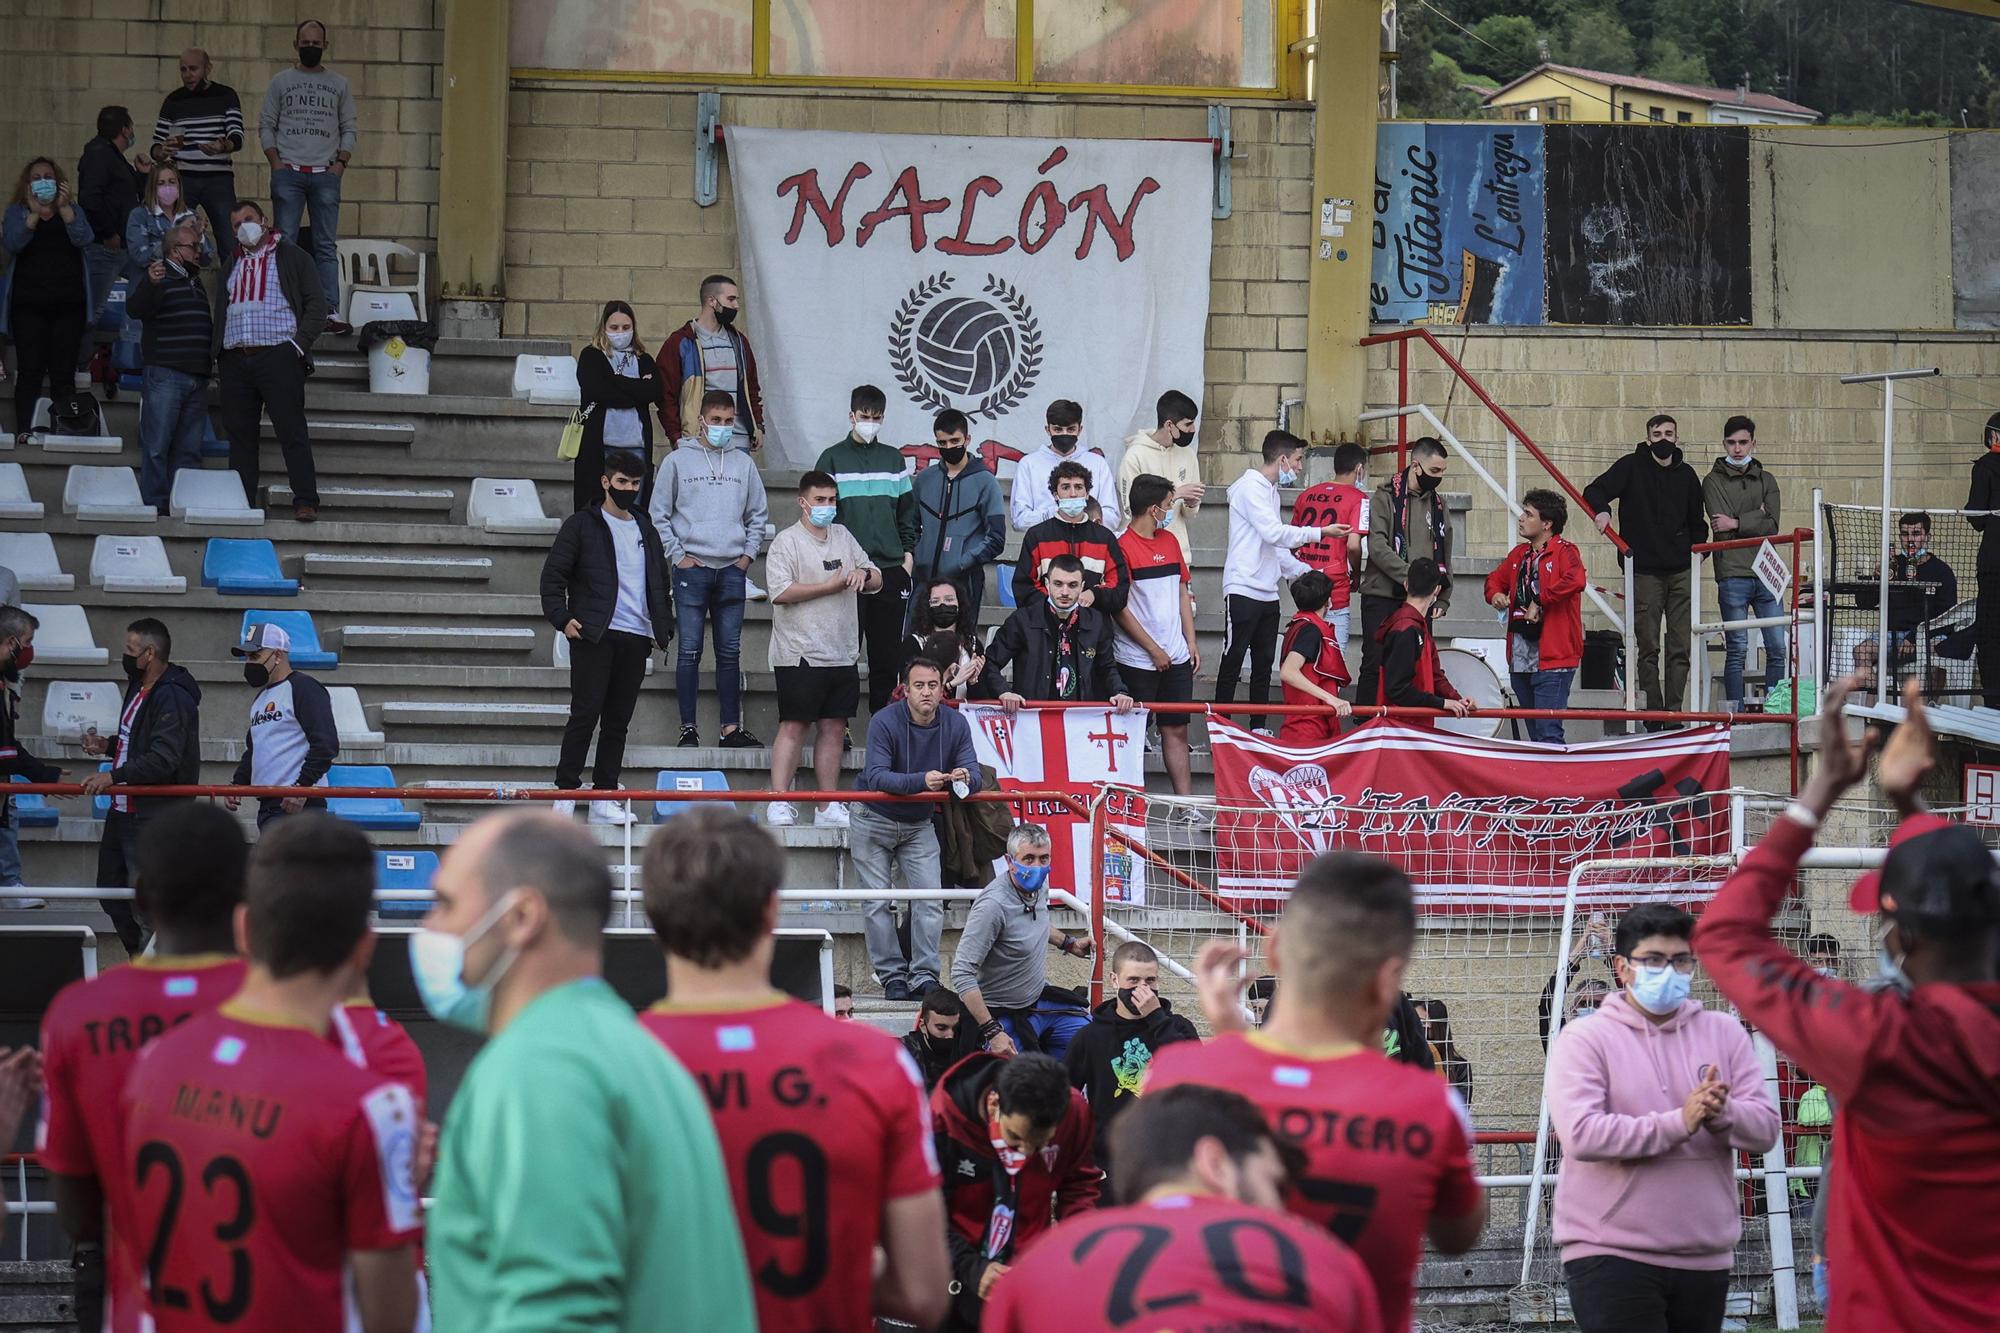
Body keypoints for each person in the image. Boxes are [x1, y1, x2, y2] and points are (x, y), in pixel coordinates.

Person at [1695, 677, 2000, 1331]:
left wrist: (1820, 791)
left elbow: (1723, 933)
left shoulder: (1880, 1039)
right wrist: (1910, 807)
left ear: (1905, 933)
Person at [421, 811, 756, 1332]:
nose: (430, 929)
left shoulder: (541, 1068)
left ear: (521, 916)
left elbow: (553, 1314)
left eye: (444, 904)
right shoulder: (636, 1051)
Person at [1148, 851, 1488, 1332]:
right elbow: (1458, 1233)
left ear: (1275, 950)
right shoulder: (1428, 1106)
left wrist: (1229, 1044)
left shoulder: (1176, 1075)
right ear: (1390, 979)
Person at [638, 808, 951, 1331]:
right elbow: (922, 1291)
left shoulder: (606, 1068)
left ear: (653, 917)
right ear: (769, 914)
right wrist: (823, 1258)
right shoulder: (876, 1063)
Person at [117, 815, 421, 1332]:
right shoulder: (369, 1106)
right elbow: (391, 1316)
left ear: (243, 928)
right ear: (364, 948)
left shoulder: (152, 1062)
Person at [40, 805, 246, 1333]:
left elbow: (76, 1202)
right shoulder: (290, 1005)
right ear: (245, 895)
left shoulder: (78, 1011)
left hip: (126, 1287)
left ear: (143, 896)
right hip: (259, 1286)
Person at [1545, 903, 1779, 1333]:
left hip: (1704, 1251)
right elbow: (1582, 1134)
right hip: (1610, 1251)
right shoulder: (1585, 1038)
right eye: (1653, 960)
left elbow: (1765, 1129)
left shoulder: (1723, 1033)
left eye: (1681, 961)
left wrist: (1721, 1113)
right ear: (1622, 967)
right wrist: (1679, 1122)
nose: (1669, 972)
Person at [985, 1085, 1382, 1333]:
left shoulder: (1039, 1267)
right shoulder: (1325, 1260)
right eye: (1271, 1180)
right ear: (1215, 1162)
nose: (1278, 1202)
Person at [541, 450, 673, 825]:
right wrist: (563, 619)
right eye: (622, 483)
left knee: (618, 721)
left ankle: (604, 794)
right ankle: (565, 793)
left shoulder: (646, 528)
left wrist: (663, 625)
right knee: (585, 714)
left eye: (635, 484)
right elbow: (553, 578)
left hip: (636, 635)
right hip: (594, 635)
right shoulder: (581, 524)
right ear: (605, 482)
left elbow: (658, 581)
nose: (629, 489)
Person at [933, 1050, 1102, 1331]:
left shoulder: (1073, 1112)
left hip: (1028, 1272)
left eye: (1040, 1144)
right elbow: (925, 1216)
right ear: (994, 1103)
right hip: (954, 1272)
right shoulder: (943, 1120)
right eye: (1016, 1137)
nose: (1026, 1151)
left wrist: (1078, 1245)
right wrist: (971, 1267)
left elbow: (1079, 1183)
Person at [856, 655, 981, 999]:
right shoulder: (884, 721)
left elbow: (976, 771)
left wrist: (966, 778)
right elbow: (876, 776)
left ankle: (924, 975)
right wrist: (921, 782)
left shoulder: (955, 724)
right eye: (919, 685)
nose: (926, 692)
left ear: (943, 689)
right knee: (878, 902)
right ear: (905, 690)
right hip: (873, 818)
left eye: (933, 685)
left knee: (930, 898)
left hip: (919, 822)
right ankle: (893, 976)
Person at [652, 388, 769, 748]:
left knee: (730, 652)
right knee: (688, 651)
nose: (722, 427)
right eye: (715, 420)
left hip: (732, 569)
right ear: (700, 420)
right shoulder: (677, 461)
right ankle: (688, 729)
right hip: (692, 568)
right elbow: (659, 514)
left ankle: (730, 729)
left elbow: (758, 515)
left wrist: (746, 557)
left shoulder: (743, 464)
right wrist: (678, 556)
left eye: (728, 421)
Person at [79, 618, 201, 952]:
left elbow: (164, 759)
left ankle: (154, 979)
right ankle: (140, 960)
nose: (125, 655)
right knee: (110, 892)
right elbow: (140, 743)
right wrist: (108, 746)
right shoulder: (138, 686)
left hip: (150, 817)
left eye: (130, 650)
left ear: (149, 654)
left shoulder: (174, 696)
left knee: (148, 906)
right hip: (123, 812)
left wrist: (112, 776)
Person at [764, 470, 879, 827]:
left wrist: (864, 576)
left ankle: (827, 805)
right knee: (794, 725)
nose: (827, 507)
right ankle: (779, 799)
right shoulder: (787, 542)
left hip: (842, 650)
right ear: (802, 502)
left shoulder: (843, 535)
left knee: (833, 727)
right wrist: (827, 587)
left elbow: (875, 575)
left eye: (831, 500)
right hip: (799, 651)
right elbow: (780, 592)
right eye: (820, 500)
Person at [1585, 414, 1707, 715]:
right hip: (1643, 572)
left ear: (1677, 437)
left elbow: (1697, 524)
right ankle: (1654, 714)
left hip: (1681, 572)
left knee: (1681, 647)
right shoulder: (1630, 466)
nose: (1663, 439)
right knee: (1648, 646)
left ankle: (1674, 713)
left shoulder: (1687, 475)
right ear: (1647, 437)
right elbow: (1595, 490)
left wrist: (1698, 555)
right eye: (1657, 434)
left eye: (1668, 433)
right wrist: (1602, 512)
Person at [1217, 429, 1336, 733]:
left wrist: (1307, 572)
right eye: (1297, 460)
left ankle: (1258, 727)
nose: (1299, 467)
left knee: (1263, 662)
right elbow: (1274, 533)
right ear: (1282, 459)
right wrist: (1321, 532)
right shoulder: (1250, 488)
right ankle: (1221, 725)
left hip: (1268, 592)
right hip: (1243, 587)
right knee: (1232, 660)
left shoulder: (1269, 491)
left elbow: (1275, 547)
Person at [216, 197, 327, 520]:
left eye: (248, 219)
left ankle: (305, 499)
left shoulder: (293, 257)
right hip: (236, 359)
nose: (243, 228)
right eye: (236, 225)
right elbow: (221, 308)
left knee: (292, 432)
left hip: (278, 355)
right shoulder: (231, 262)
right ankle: (242, 504)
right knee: (240, 439)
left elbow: (316, 307)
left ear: (264, 221)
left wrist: (297, 346)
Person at [952, 822, 1096, 1058]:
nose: (1037, 867)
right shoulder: (992, 906)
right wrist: (992, 1031)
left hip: (1038, 999)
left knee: (1092, 1041)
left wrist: (1069, 943)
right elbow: (961, 973)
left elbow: (1034, 924)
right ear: (1010, 862)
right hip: (998, 1013)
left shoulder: (1040, 884)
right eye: (1028, 859)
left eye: (1044, 859)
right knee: (1019, 1081)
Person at [816, 384, 918, 713]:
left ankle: (883, 725)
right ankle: (839, 723)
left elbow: (907, 512)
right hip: (846, 570)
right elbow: (821, 515)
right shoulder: (832, 457)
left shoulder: (893, 458)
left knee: (887, 657)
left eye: (876, 417)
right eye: (864, 416)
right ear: (851, 416)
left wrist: (907, 560)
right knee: (843, 654)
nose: (869, 422)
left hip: (890, 569)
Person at [1063, 940, 1199, 1184]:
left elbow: (1197, 1081)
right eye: (1133, 981)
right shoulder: (1091, 1036)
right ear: (1115, 980)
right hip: (1111, 1166)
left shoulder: (1178, 1027)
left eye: (1150, 981)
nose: (1142, 989)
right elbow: (1064, 1094)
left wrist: (1157, 1018)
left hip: (1169, 1165)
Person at [261, 19, 357, 333]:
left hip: (326, 174)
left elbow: (349, 128)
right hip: (288, 172)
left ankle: (329, 310)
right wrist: (276, 163)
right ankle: (286, 307)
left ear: (325, 46)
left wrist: (340, 164)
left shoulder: (339, 84)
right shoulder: (280, 82)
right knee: (285, 243)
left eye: (317, 44)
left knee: (325, 246)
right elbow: (266, 125)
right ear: (296, 44)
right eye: (306, 43)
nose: (311, 48)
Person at [1116, 474, 1199, 793]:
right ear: (1153, 510)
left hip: (1176, 656)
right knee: (1133, 734)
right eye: (1167, 506)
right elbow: (1120, 609)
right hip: (1137, 660)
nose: (1169, 511)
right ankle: (1130, 804)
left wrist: (1190, 641)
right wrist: (1152, 650)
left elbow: (1182, 592)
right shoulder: (1121, 547)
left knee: (1177, 730)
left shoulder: (1170, 541)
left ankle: (1186, 806)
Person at [1485, 488, 1587, 742]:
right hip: (1521, 657)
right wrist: (1496, 595)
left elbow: (1576, 580)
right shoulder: (1519, 554)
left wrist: (1540, 600)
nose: (1521, 518)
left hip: (1554, 658)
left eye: (1528, 514)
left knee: (1548, 733)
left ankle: (1556, 781)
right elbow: (1494, 580)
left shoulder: (1566, 551)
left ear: (1547, 523)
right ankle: (1543, 780)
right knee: (1537, 735)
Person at [1357, 436, 1452, 708]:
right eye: (1435, 471)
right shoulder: (1384, 497)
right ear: (1416, 466)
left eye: (1443, 471)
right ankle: (1366, 723)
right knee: (1374, 662)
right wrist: (1410, 576)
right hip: (1383, 594)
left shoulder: (1439, 505)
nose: (1439, 477)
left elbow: (1445, 552)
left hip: (1422, 598)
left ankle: (1413, 728)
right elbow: (1377, 546)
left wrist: (1443, 595)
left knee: (1419, 664)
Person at [126, 221, 214, 510]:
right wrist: (150, 283)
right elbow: (135, 309)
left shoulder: (193, 279)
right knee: (156, 447)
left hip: (196, 377)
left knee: (189, 451)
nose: (198, 252)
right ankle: (156, 507)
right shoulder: (159, 276)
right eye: (193, 247)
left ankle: (182, 505)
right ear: (175, 251)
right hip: (166, 374)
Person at [4, 157, 93, 443]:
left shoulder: (72, 209)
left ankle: (64, 430)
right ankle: (24, 430)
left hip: (69, 306)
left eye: (48, 176)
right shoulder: (17, 211)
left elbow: (85, 239)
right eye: (37, 177)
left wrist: (64, 209)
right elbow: (13, 243)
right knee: (29, 370)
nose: (43, 180)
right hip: (28, 306)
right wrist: (33, 214)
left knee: (63, 373)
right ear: (27, 184)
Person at [1702, 417, 1787, 712]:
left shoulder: (1767, 479)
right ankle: (1735, 715)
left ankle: (1774, 710)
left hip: (1766, 571)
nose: (1737, 449)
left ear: (1754, 443)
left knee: (1778, 648)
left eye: (1743, 442)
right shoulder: (1712, 480)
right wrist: (1755, 516)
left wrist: (1737, 520)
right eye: (1731, 443)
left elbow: (1773, 524)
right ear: (1724, 443)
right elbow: (1718, 524)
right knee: (1737, 649)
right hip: (1733, 572)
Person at [980, 555, 1136, 713]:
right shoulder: (1022, 620)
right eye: (1058, 584)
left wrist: (1119, 692)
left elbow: (1107, 667)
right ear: (1047, 584)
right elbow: (989, 662)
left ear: (1082, 587)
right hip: (1032, 717)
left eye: (1072, 585)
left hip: (1078, 718)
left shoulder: (1095, 621)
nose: (1065, 592)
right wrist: (1004, 692)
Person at [225, 621, 338, 829]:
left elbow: (326, 744)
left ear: (277, 655)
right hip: (270, 805)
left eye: (255, 656)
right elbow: (256, 748)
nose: (249, 663)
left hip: (300, 807)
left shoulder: (304, 688)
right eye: (247, 657)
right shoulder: (261, 698)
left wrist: (302, 787)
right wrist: (238, 783)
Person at [912, 409, 1006, 624]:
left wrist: (963, 562)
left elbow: (997, 538)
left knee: (961, 644)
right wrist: (918, 555)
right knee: (916, 643)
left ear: (968, 439)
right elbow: (911, 526)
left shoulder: (986, 482)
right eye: (942, 443)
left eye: (955, 441)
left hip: (965, 580)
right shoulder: (925, 480)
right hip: (924, 579)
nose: (949, 448)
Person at [148, 48, 243, 258]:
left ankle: (233, 289)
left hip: (218, 180)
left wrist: (222, 146)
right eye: (183, 70)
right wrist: (162, 151)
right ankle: (179, 286)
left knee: (229, 239)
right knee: (177, 237)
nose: (188, 75)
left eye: (193, 69)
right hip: (184, 180)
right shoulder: (173, 101)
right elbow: (155, 145)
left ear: (207, 68)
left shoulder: (226, 95)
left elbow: (237, 136)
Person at [572, 299, 661, 511]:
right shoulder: (591, 355)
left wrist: (613, 381)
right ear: (604, 328)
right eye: (614, 327)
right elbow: (597, 391)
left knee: (634, 511)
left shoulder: (644, 359)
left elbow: (653, 391)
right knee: (596, 510)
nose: (620, 332)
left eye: (626, 327)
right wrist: (637, 388)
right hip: (600, 447)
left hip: (636, 447)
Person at [0, 606, 61, 909]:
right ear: (12, 642)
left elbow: (7, 743)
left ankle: (11, 884)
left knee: (7, 811)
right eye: (28, 640)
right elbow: (5, 751)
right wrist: (42, 775)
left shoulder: (3, 682)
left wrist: (44, 774)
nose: (28, 651)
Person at [658, 273, 763, 450]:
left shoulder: (739, 342)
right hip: (697, 441)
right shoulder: (681, 342)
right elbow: (665, 396)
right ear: (712, 301)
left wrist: (758, 426)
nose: (736, 305)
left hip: (738, 441)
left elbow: (752, 387)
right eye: (731, 299)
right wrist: (676, 437)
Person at [1013, 459, 1132, 612]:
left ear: (1087, 493)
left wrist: (1095, 594)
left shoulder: (1105, 538)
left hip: (1093, 628)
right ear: (1056, 495)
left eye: (1078, 487)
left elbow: (1119, 589)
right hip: (1046, 629)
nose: (1073, 493)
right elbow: (1023, 588)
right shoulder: (1037, 536)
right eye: (1065, 487)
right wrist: (1056, 602)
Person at [76, 106, 147, 335]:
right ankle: (79, 367)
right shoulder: (100, 155)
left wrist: (142, 174)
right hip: (105, 247)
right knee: (92, 312)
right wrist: (108, 233)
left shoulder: (112, 158)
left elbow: (125, 194)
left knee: (142, 292)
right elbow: (90, 199)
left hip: (121, 246)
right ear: (125, 130)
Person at [1114, 388, 1205, 564]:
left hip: (1179, 556)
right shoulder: (1135, 456)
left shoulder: (1188, 455)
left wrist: (1191, 503)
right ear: (1169, 425)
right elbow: (1129, 510)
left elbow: (1189, 513)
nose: (1193, 429)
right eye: (1187, 424)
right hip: (1143, 557)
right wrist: (1175, 494)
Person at [1293, 440, 1371, 642]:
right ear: (1359, 468)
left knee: (1305, 655)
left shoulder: (1306, 495)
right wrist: (1355, 573)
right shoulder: (1360, 498)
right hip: (1334, 588)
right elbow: (1354, 545)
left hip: (1306, 585)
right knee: (1333, 658)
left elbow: (1292, 541)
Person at [1376, 557, 1473, 719]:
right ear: (1437, 590)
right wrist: (1443, 702)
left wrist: (1457, 699)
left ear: (1406, 584)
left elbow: (1434, 674)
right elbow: (1397, 689)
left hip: (1411, 726)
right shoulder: (1406, 628)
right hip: (1402, 728)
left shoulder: (1414, 626)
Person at [1012, 398, 1119, 531]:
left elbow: (1112, 517)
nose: (1064, 434)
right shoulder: (1028, 464)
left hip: (1089, 544)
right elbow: (1020, 520)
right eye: (1058, 429)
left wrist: (1082, 517)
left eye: (1070, 429)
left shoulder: (1098, 464)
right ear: (1047, 429)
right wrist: (1057, 513)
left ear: (1080, 429)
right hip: (1046, 543)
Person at [1277, 569, 1355, 745]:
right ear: (1328, 601)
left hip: (1304, 725)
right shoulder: (1311, 630)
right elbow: (1288, 671)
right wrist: (1331, 699)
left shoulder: (1298, 625)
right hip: (1308, 728)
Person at [1886, 511, 1959, 673]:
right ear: (1900, 538)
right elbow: (1865, 602)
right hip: (1894, 635)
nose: (1910, 539)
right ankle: (1876, 699)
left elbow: (1948, 616)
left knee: (1937, 653)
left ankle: (1930, 699)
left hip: (1930, 634)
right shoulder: (1892, 566)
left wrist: (1914, 637)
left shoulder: (1942, 571)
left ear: (1927, 537)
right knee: (1862, 651)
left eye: (1916, 533)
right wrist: (1875, 579)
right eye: (1905, 534)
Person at [1963, 410, 2000, 707]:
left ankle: (1994, 705)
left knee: (1990, 635)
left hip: (1994, 565)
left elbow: (1975, 516)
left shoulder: (1986, 466)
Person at [901, 577, 986, 699]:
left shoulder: (973, 644)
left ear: (959, 605)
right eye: (935, 601)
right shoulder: (914, 643)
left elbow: (981, 700)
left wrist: (973, 682)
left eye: (949, 599)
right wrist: (950, 685)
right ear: (927, 607)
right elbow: (910, 695)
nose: (943, 605)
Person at [902, 985, 966, 1090]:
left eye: (956, 1028)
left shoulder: (966, 1051)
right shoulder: (905, 1054)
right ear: (923, 1026)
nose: (950, 1035)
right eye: (941, 1028)